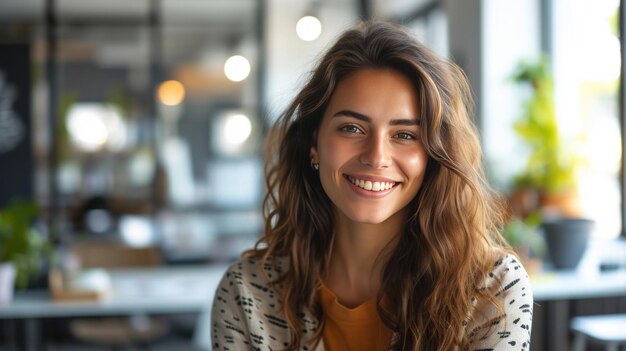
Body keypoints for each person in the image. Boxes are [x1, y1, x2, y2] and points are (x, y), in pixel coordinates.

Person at [211, 21, 533, 351]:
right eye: (351, 128)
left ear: (434, 155)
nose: (377, 157)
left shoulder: (492, 288)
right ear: (314, 143)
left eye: (405, 135)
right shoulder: (246, 291)